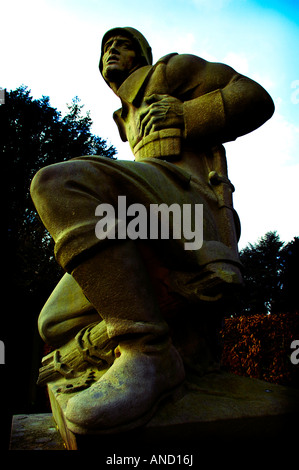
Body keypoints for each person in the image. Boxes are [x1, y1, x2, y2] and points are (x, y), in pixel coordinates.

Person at [30, 27, 274, 434]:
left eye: (124, 44)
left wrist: (186, 115)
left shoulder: (170, 71)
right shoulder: (124, 117)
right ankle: (151, 328)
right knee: (53, 323)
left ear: (144, 53)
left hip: (191, 211)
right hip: (150, 216)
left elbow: (255, 98)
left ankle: (147, 350)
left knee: (59, 184)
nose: (112, 50)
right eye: (106, 47)